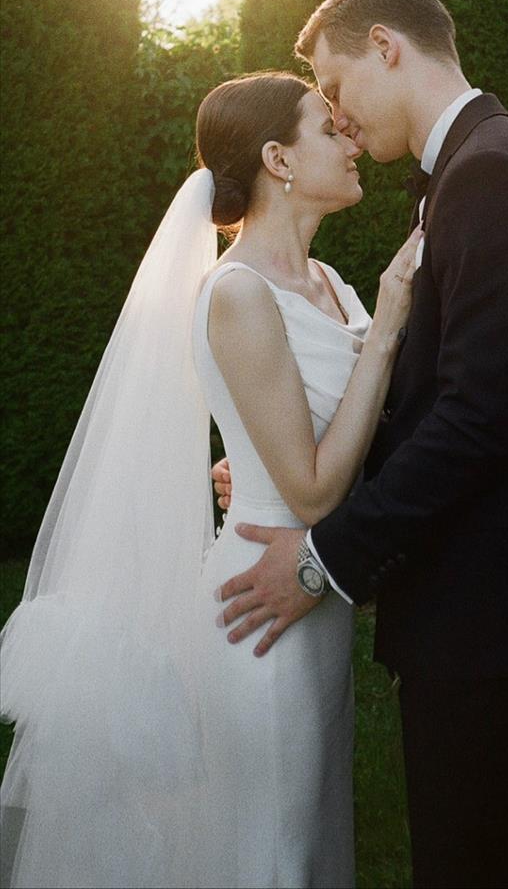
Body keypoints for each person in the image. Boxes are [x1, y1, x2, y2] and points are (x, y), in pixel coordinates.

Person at [213, 0, 508, 889]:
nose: (338, 117)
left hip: (500, 616)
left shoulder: (492, 175)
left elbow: (476, 421)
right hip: (489, 607)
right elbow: (454, 400)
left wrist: (321, 561)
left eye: (336, 87)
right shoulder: (476, 168)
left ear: (386, 47)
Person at [0, 70, 419, 889]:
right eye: (326, 127)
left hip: (315, 598)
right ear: (277, 159)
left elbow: (346, 431)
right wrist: (387, 330)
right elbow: (309, 493)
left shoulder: (330, 285)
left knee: (307, 834)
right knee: (272, 852)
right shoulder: (236, 293)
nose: (350, 139)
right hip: (260, 611)